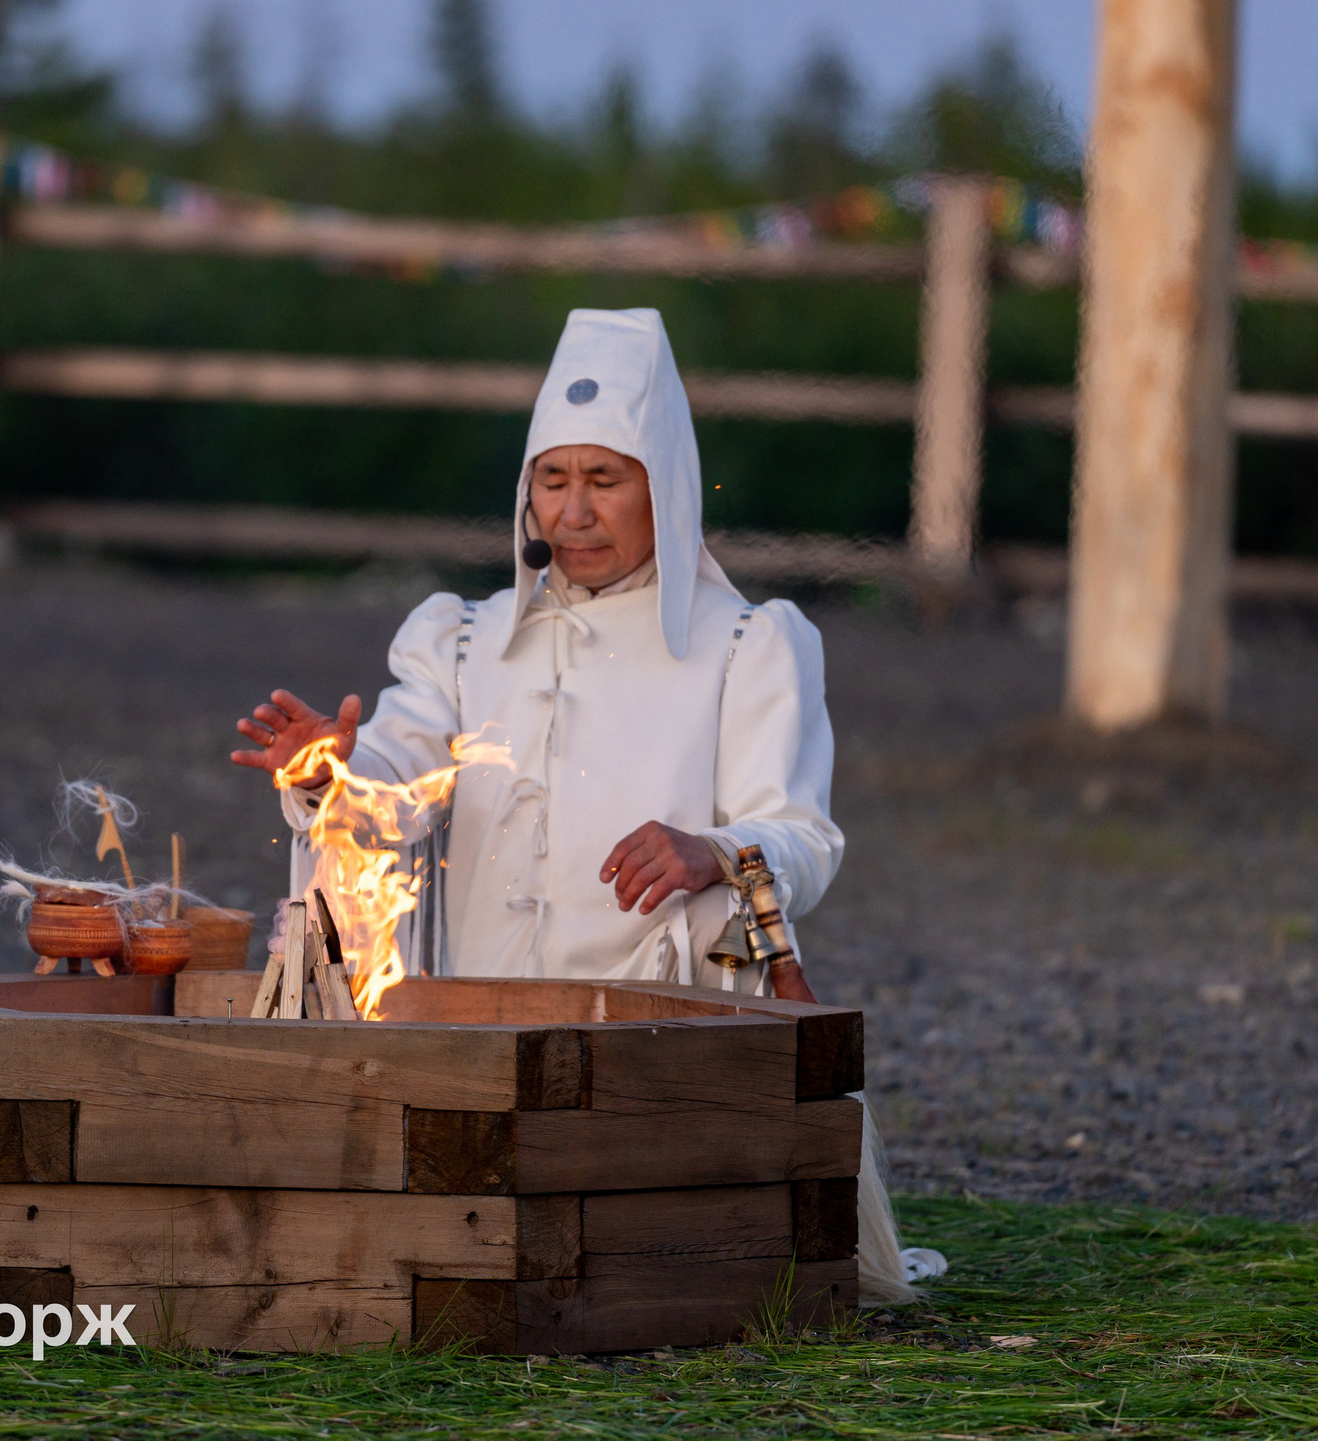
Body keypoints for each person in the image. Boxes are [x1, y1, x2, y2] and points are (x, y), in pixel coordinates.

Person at [229, 307, 938, 1304]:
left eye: (605, 480)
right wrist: (331, 772)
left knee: (640, 1268)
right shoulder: (464, 640)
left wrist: (713, 848)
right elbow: (395, 781)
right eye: (553, 482)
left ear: (668, 490)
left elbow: (802, 835)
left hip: (662, 1040)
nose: (574, 511)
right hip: (477, 1031)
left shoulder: (750, 646)